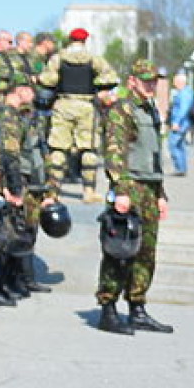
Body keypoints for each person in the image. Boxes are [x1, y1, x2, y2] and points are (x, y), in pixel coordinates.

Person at [95, 59, 173, 335]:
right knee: (120, 251)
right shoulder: (122, 110)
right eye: (146, 80)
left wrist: (161, 193)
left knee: (146, 252)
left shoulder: (150, 110)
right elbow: (114, 153)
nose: (151, 85)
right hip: (130, 187)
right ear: (132, 81)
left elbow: (153, 156)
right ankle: (108, 309)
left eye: (154, 80)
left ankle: (137, 307)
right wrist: (122, 192)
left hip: (149, 189)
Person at [38, 27, 118, 204]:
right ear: (85, 40)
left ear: (70, 39)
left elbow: (46, 80)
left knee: (58, 149)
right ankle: (88, 191)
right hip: (86, 106)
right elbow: (111, 77)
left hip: (63, 105)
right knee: (88, 149)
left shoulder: (58, 57)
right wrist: (96, 85)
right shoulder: (94, 59)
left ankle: (53, 192)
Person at [166, 72, 194, 176]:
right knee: (180, 145)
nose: (174, 84)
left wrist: (176, 122)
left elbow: (183, 109)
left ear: (181, 82)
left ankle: (180, 168)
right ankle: (182, 168)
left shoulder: (184, 93)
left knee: (172, 145)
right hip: (182, 123)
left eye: (175, 81)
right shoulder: (186, 92)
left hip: (180, 124)